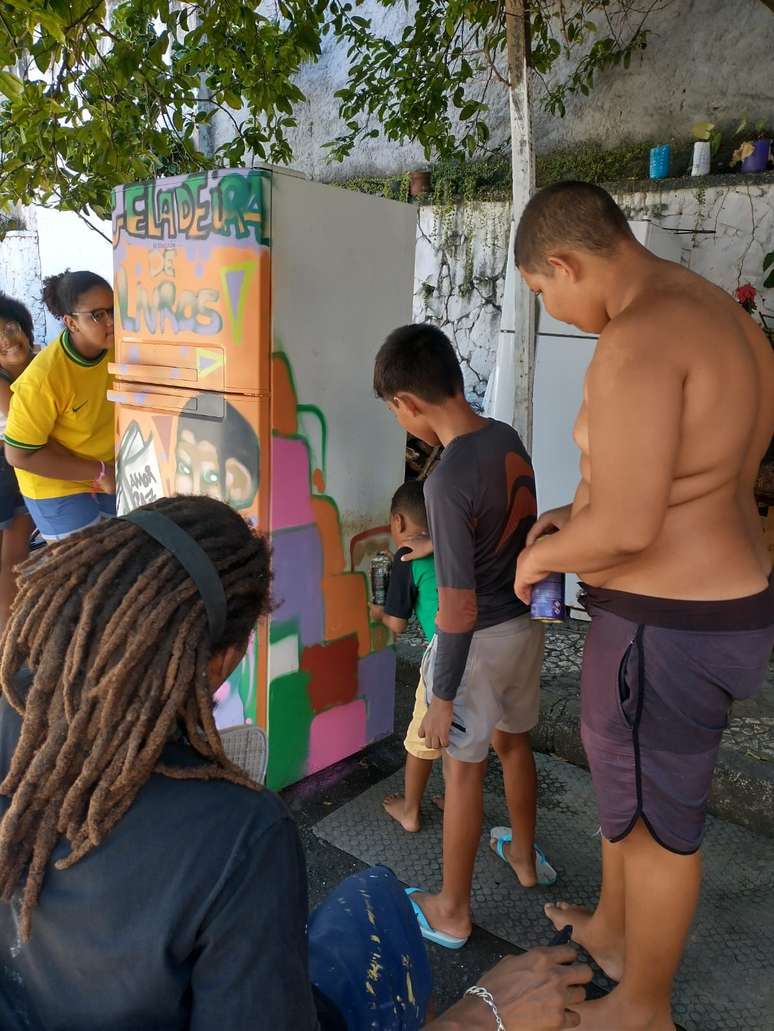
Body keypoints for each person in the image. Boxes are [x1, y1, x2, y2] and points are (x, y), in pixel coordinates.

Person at [0, 493, 592, 1031]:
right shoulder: (240, 835)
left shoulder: (19, 722)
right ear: (221, 661)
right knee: (379, 903)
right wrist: (484, 1013)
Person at [512, 181, 774, 1031]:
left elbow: (628, 524)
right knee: (630, 794)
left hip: (669, 624)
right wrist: (569, 516)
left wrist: (540, 556)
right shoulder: (730, 322)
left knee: (662, 824)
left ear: (565, 262)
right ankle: (617, 935)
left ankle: (644, 1007)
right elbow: (692, 477)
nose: (555, 309)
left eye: (545, 294)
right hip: (710, 602)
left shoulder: (636, 338)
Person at [373, 324, 555, 953]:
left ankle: (451, 911)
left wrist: (442, 693)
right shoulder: (504, 436)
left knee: (463, 769)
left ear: (407, 404)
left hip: (474, 644)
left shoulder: (443, 481)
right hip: (523, 629)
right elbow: (502, 531)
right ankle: (527, 859)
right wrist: (439, 541)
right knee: (513, 743)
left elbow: (454, 608)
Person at [4, 270, 116, 542]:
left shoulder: (121, 347)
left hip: (107, 468)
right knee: (85, 567)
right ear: (71, 323)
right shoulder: (43, 379)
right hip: (55, 482)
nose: (112, 321)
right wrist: (98, 471)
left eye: (115, 310)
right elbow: (18, 454)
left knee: (120, 552)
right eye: (98, 315)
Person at [370, 479, 442, 832]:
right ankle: (458, 793)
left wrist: (377, 612)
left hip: (447, 650)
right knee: (467, 725)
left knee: (421, 735)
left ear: (398, 522)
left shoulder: (405, 555)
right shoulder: (451, 543)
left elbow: (396, 624)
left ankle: (410, 810)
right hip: (485, 642)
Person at [0, 295, 36, 625]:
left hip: (29, 459)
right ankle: (8, 644)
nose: (7, 340)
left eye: (10, 327)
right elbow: (25, 425)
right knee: (13, 558)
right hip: (9, 467)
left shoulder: (42, 360)